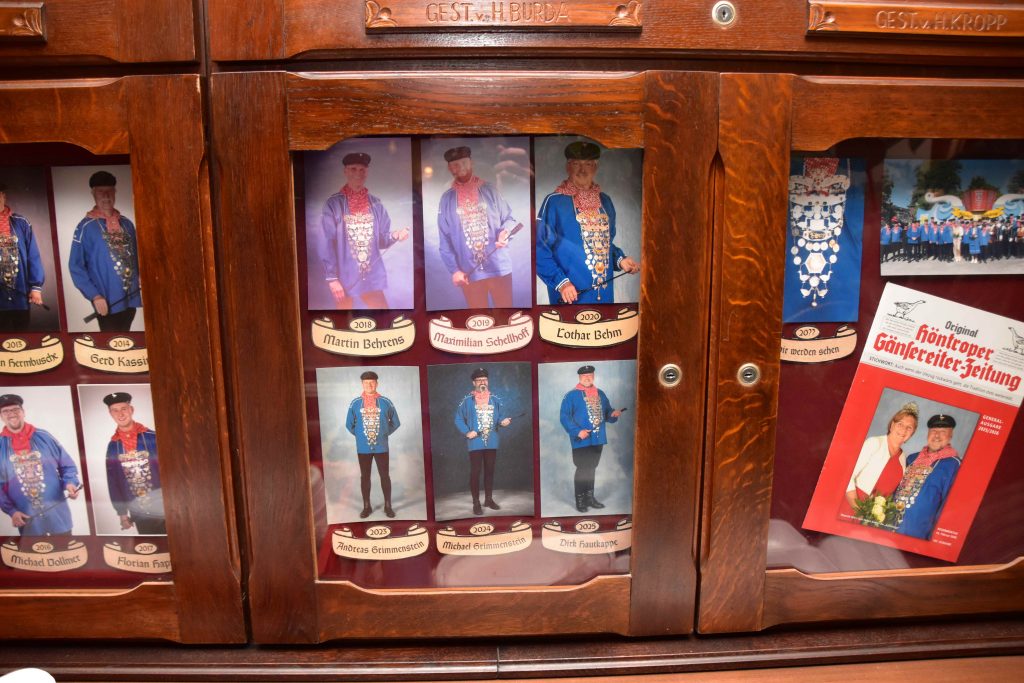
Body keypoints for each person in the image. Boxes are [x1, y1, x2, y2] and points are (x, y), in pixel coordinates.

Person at [536, 142, 640, 305]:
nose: (582, 170)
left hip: (604, 295)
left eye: (588, 164)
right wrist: (561, 283)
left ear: (595, 168)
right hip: (570, 295)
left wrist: (620, 260)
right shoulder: (554, 202)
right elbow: (538, 250)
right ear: (568, 167)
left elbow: (604, 244)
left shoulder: (605, 201)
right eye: (576, 164)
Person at [320, 152, 410, 310]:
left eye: (362, 170)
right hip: (344, 278)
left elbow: (382, 240)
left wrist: (396, 235)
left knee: (383, 316)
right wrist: (332, 278)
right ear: (345, 171)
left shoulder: (376, 204)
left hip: (371, 277)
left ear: (367, 172)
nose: (358, 173)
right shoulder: (333, 204)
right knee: (343, 321)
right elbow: (327, 242)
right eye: (353, 169)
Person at [437, 146, 519, 309]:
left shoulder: (490, 190)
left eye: (463, 162)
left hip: (499, 269)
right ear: (449, 168)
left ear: (471, 163)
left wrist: (505, 232)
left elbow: (510, 219)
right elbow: (444, 240)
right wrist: (455, 270)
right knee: (478, 319)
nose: (460, 167)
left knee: (506, 315)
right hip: (469, 273)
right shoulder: (446, 199)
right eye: (454, 164)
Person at [68, 171, 141, 331]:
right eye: (101, 192)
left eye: (110, 191)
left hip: (130, 297)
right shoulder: (85, 227)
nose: (106, 196)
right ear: (93, 194)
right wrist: (94, 296)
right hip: (106, 300)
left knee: (128, 338)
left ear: (115, 192)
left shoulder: (127, 224)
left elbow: (138, 256)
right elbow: (76, 266)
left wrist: (141, 278)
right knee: (110, 340)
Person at [0, 394, 80, 537]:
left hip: (58, 516)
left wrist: (70, 483)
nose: (11, 413)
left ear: (23, 412)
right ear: (1, 416)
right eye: (6, 411)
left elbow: (67, 465)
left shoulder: (44, 437)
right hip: (27, 519)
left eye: (15, 409)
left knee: (64, 550)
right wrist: (11, 511)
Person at [559, 365, 623, 513]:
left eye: (590, 375)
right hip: (581, 439)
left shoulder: (601, 394)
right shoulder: (571, 395)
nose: (587, 378)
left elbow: (607, 413)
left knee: (592, 468)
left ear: (594, 376)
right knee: (582, 468)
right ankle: (580, 500)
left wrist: (613, 414)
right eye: (584, 376)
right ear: (579, 377)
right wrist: (577, 431)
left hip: (597, 438)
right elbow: (564, 417)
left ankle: (590, 498)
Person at [892, 413, 962, 540]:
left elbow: (948, 509)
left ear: (951, 435)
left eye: (943, 432)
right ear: (928, 433)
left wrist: (932, 541)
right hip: (889, 526)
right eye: (934, 431)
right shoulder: (912, 458)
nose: (937, 435)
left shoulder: (954, 465)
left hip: (917, 535)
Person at [103, 391, 164, 534]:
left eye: (124, 408)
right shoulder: (113, 447)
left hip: (165, 507)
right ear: (110, 414)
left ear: (131, 410)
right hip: (139, 513)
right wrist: (122, 513)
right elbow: (113, 482)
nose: (120, 414)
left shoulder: (153, 438)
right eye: (115, 410)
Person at [455, 368, 512, 516]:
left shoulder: (495, 399)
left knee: (490, 470)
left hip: (492, 441)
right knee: (476, 471)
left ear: (488, 381)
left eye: (485, 379)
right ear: (473, 382)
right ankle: (476, 502)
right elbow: (458, 418)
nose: (482, 382)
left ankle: (488, 499)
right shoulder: (467, 400)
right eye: (479, 380)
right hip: (475, 442)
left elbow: (500, 417)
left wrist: (503, 422)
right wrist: (467, 431)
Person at [345, 370, 400, 519]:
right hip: (363, 448)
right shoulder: (355, 403)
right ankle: (366, 506)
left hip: (381, 446)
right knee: (365, 476)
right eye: (366, 383)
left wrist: (383, 433)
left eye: (372, 382)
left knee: (385, 475)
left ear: (377, 383)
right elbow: (349, 424)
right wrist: (361, 436)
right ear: (362, 384)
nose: (369, 385)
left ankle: (388, 506)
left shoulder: (386, 402)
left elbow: (396, 422)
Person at [844, 402, 918, 512]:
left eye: (909, 428)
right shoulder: (874, 443)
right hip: (852, 505)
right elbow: (847, 475)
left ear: (912, 433)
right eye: (900, 424)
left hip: (875, 515)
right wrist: (857, 508)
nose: (903, 430)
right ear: (892, 425)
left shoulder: (903, 458)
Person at [0, 183, 46, 331]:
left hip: (20, 297)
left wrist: (36, 288)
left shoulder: (21, 222)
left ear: (3, 196)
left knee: (21, 339)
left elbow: (33, 256)